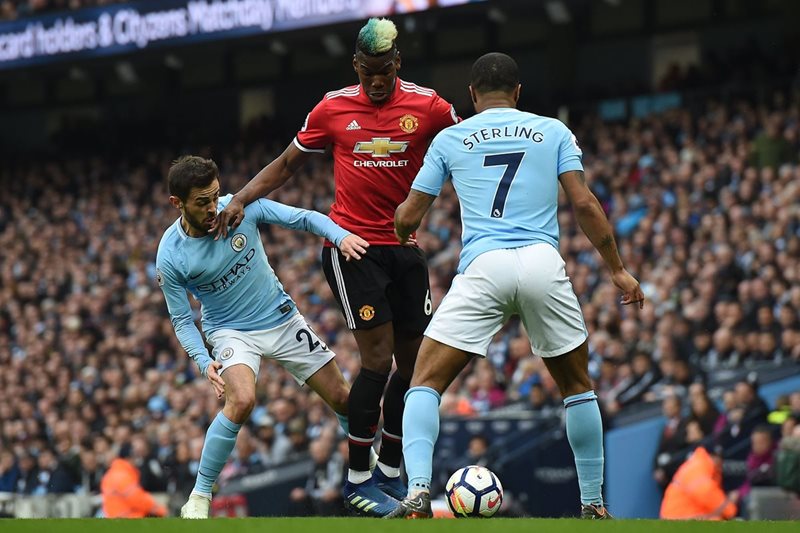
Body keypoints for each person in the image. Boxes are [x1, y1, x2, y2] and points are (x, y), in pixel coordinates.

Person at [212, 18, 459, 517]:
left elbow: (468, 150)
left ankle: (390, 470)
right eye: (368, 72)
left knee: (411, 368)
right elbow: (286, 164)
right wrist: (241, 197)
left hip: (405, 247)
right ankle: (358, 477)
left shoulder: (430, 107)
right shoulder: (332, 108)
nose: (376, 81)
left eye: (384, 71)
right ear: (356, 66)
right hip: (354, 247)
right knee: (377, 361)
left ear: (398, 64)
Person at [389, 52, 644, 519]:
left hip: (484, 266)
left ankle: (419, 493)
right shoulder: (553, 131)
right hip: (543, 264)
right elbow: (584, 203)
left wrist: (404, 231)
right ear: (518, 91)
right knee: (577, 387)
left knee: (423, 382)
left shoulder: (450, 138)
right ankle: (593, 503)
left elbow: (409, 214)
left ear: (471, 94)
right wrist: (617, 268)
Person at [156, 156, 369, 519]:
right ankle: (200, 495)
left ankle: (367, 464)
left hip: (281, 318)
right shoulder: (171, 255)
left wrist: (340, 235)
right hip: (230, 331)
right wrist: (204, 361)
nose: (212, 208)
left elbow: (303, 217)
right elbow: (181, 320)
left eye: (215, 196)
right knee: (241, 401)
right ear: (178, 203)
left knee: (344, 399)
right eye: (201, 202)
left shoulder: (240, 209)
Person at [660, 446, 737, 520]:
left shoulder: (698, 464)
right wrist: (729, 507)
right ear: (714, 457)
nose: (720, 464)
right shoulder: (699, 466)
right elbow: (705, 492)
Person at [100, 447, 168, 518]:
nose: (136, 461)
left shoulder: (110, 474)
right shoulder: (123, 476)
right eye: (135, 457)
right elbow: (138, 499)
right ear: (129, 459)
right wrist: (160, 510)